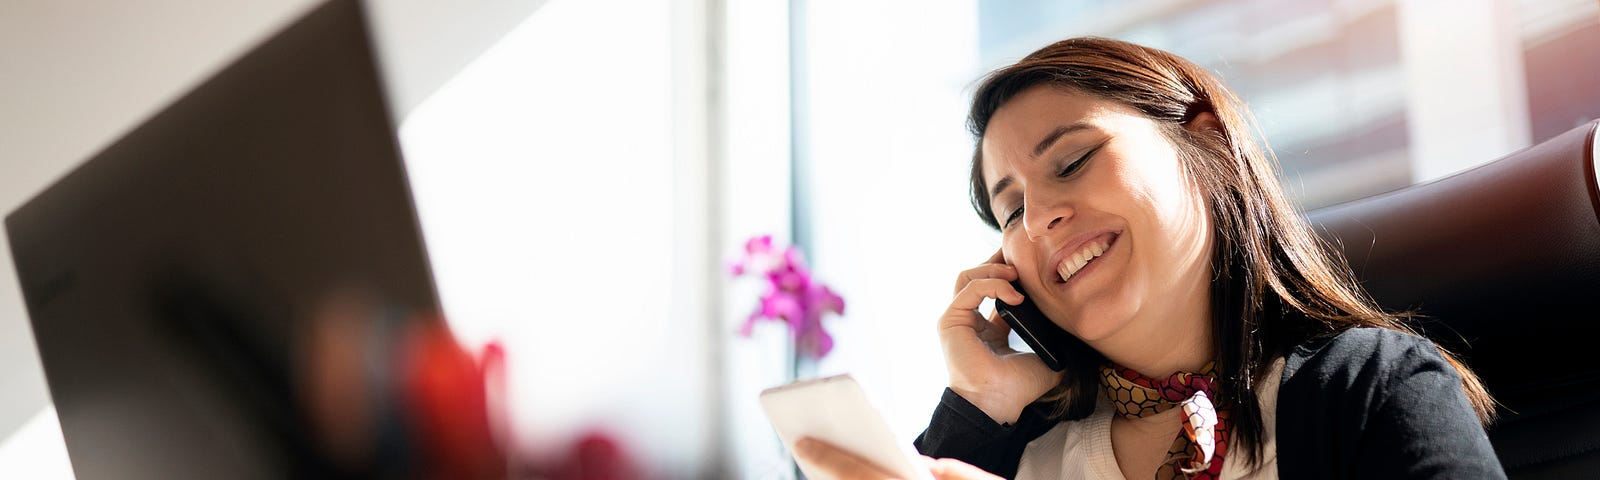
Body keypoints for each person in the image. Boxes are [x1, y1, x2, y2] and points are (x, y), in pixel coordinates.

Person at [792, 37, 1505, 479]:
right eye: (1010, 210)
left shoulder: (1370, 391)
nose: (1039, 219)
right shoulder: (1012, 452)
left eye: (1071, 161)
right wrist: (978, 406)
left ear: (1208, 142)